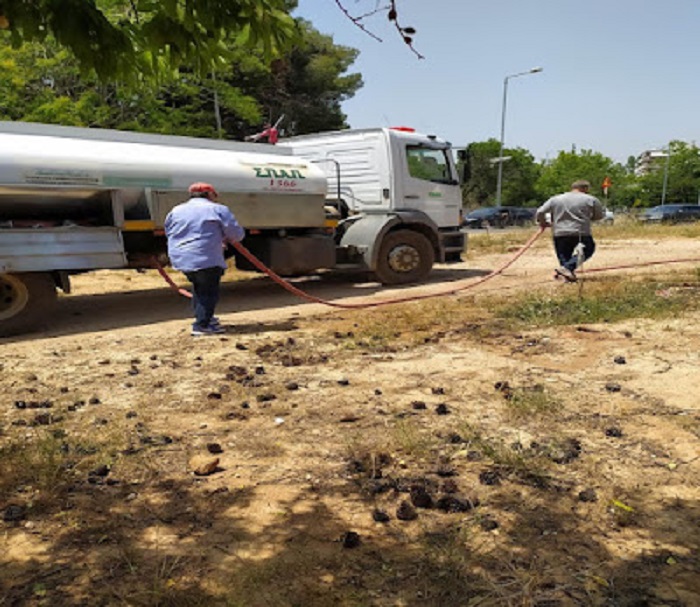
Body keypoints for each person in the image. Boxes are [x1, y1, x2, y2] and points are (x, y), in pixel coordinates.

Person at [164, 182, 245, 336]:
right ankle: (202, 326)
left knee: (199, 288)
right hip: (205, 257)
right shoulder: (217, 209)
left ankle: (205, 318)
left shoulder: (176, 210)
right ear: (209, 195)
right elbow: (236, 234)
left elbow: (169, 230)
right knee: (208, 292)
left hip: (181, 257)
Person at [536, 179, 604, 282]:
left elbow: (540, 211)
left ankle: (565, 274)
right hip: (581, 232)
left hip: (559, 232)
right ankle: (567, 269)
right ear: (585, 188)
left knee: (564, 255)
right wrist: (588, 218)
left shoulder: (555, 199)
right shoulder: (591, 199)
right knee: (588, 249)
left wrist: (543, 222)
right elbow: (599, 216)